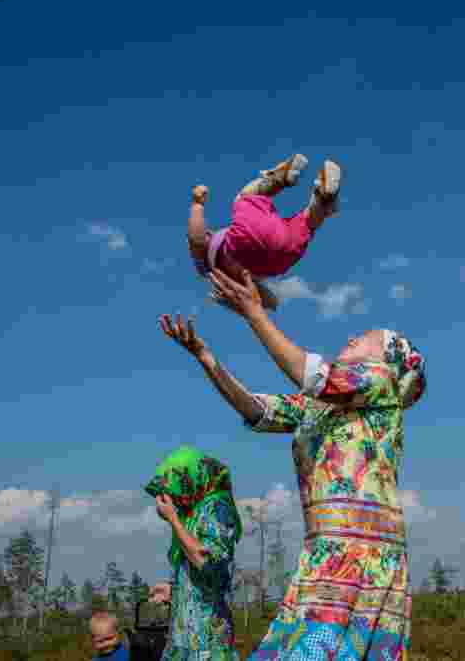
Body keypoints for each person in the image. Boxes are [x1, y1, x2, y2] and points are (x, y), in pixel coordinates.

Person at [158, 268, 427, 660]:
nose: (351, 338)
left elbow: (317, 376)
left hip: (361, 555)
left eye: (364, 339)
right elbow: (257, 409)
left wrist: (254, 313)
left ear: (388, 362)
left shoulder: (380, 385)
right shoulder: (319, 408)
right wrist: (206, 357)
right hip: (324, 553)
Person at [186, 154, 342, 311]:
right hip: (245, 240)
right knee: (244, 197)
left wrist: (270, 302)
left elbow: (266, 300)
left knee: (307, 224)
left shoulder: (230, 281)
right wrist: (197, 205)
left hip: (279, 261)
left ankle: (323, 199)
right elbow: (196, 239)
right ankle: (279, 179)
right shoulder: (205, 262)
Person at [145, 446, 243, 661]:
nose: (174, 498)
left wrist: (173, 519)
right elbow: (199, 579)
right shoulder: (193, 514)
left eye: (175, 490)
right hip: (182, 641)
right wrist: (174, 590)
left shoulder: (217, 508)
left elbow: (206, 562)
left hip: (207, 641)